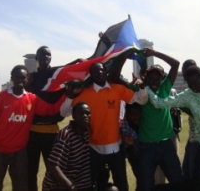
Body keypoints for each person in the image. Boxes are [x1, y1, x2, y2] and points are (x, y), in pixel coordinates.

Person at [61, 62, 148, 191]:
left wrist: (141, 87)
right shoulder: (85, 93)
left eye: (102, 70)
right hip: (93, 147)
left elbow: (142, 100)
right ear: (91, 75)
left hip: (116, 147)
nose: (100, 72)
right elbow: (64, 112)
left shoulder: (117, 89)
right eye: (96, 71)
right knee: (92, 184)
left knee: (122, 184)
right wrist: (70, 97)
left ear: (106, 73)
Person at [0, 65, 66, 191]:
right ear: (12, 78)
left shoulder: (32, 99)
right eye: (17, 77)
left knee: (20, 185)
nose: (20, 80)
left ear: (27, 79)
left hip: (20, 151)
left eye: (23, 77)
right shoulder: (2, 96)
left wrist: (66, 95)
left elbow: (50, 110)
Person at [26, 45, 85, 191]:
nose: (46, 57)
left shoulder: (57, 77)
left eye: (48, 55)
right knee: (30, 172)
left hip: (51, 132)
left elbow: (67, 70)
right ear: (36, 57)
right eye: (42, 54)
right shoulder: (31, 79)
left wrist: (79, 62)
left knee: (54, 171)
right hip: (32, 133)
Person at [136, 48, 183, 191]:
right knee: (146, 185)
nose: (154, 80)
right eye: (150, 77)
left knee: (177, 181)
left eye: (157, 78)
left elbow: (175, 64)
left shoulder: (164, 89)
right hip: (146, 146)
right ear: (146, 78)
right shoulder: (140, 92)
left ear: (162, 79)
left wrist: (155, 53)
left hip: (166, 144)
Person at [42, 101, 92, 191]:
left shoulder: (88, 133)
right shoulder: (66, 135)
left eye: (88, 113)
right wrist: (70, 187)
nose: (85, 116)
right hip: (59, 186)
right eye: (81, 113)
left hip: (81, 184)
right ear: (73, 116)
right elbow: (52, 165)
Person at [179, 59, 200, 181]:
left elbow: (197, 112)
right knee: (186, 172)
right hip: (192, 138)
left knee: (192, 174)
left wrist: (177, 103)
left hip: (199, 140)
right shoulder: (190, 90)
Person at [120, 103, 141, 181]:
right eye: (133, 115)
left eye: (138, 114)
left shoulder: (144, 122)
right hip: (131, 155)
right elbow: (130, 153)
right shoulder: (124, 127)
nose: (136, 117)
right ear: (127, 115)